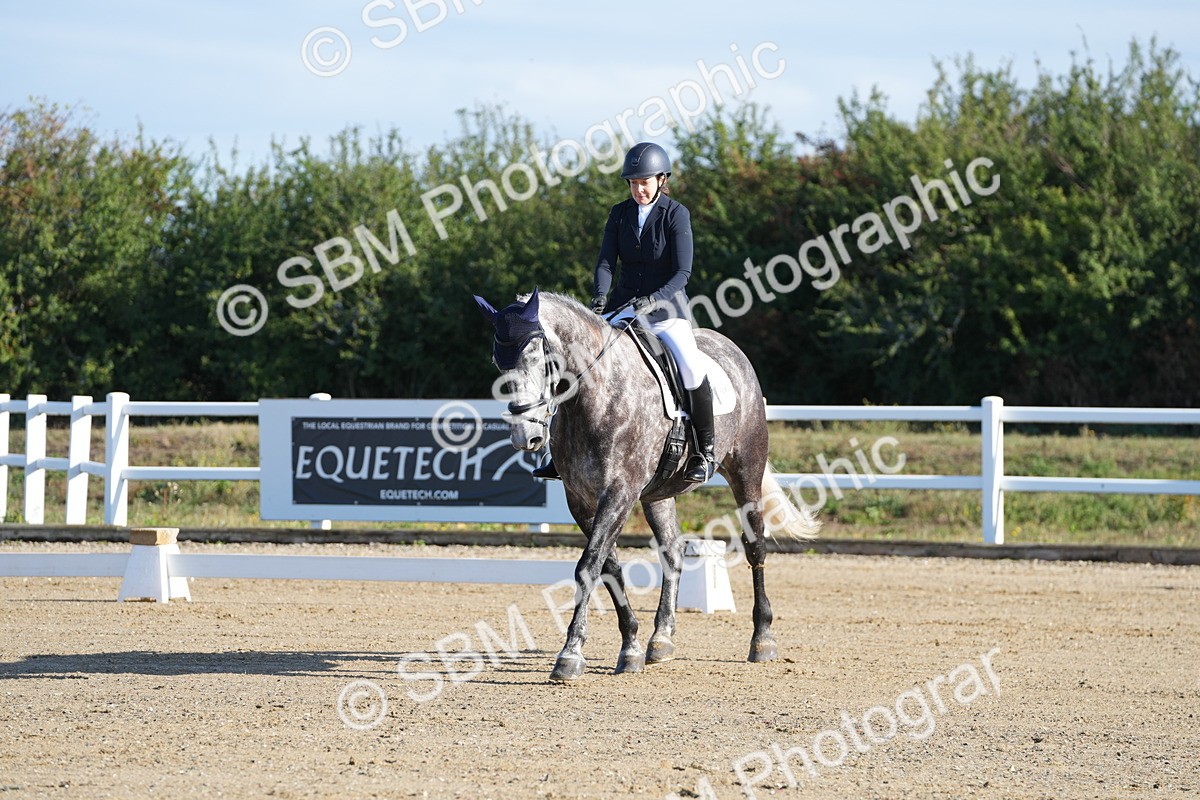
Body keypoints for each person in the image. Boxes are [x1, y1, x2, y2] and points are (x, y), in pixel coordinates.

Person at [533, 142, 717, 484]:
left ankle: (705, 451)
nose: (639, 189)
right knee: (580, 361)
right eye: (633, 183)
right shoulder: (619, 214)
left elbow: (683, 272)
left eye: (645, 182)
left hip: (667, 309)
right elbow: (606, 260)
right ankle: (558, 451)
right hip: (623, 306)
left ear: (662, 180)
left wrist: (654, 299)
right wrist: (601, 295)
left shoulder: (676, 214)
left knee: (691, 366)